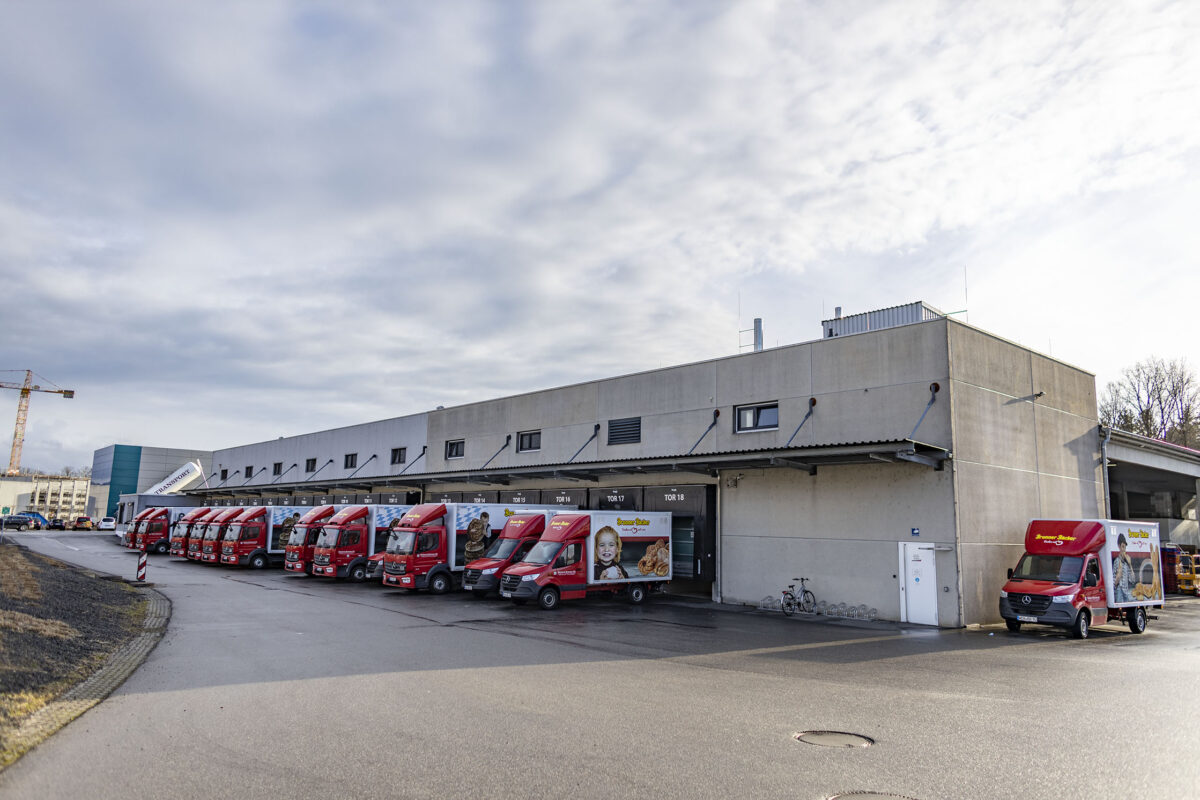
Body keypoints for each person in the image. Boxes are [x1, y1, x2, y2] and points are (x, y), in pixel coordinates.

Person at [1113, 533, 1135, 603]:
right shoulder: (1117, 561)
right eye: (1122, 547)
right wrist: (1119, 573)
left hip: (1126, 593)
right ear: (1119, 546)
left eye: (1125, 547)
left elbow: (1132, 580)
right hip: (1119, 593)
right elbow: (1114, 583)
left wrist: (1130, 565)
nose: (1124, 550)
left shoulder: (1126, 563)